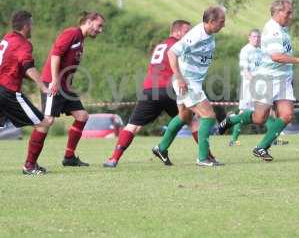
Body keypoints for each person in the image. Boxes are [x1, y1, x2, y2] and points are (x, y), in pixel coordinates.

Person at [103, 20, 217, 167]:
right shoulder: (178, 46)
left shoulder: (160, 45)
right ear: (177, 31)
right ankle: (207, 156)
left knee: (133, 125)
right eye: (186, 31)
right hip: (170, 88)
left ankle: (113, 159)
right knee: (191, 120)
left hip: (150, 89)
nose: (188, 34)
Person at [218, 0, 299, 161]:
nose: (291, 16)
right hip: (266, 79)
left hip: (282, 80)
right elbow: (276, 56)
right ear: (277, 12)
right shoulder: (272, 30)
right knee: (259, 119)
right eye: (288, 12)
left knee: (287, 115)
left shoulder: (283, 29)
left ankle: (261, 147)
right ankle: (232, 119)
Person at [152, 6, 226, 167]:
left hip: (193, 81)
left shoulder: (209, 34)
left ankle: (161, 148)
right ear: (211, 21)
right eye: (221, 22)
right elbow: (172, 52)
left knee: (185, 117)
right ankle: (203, 158)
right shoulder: (196, 35)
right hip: (187, 82)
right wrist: (179, 78)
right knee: (208, 116)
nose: (224, 25)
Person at [40, 11, 105, 167]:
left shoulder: (80, 39)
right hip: (53, 82)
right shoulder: (72, 33)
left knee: (82, 116)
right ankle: (30, 163)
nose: (100, 30)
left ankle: (69, 157)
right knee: (47, 121)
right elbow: (55, 55)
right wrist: (55, 80)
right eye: (99, 25)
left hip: (65, 86)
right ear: (89, 22)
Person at [0, 11, 52, 175]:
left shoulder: (7, 38)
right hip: (7, 91)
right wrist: (44, 87)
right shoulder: (23, 44)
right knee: (43, 123)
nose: (32, 28)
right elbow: (27, 67)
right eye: (31, 24)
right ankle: (30, 166)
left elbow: (14, 68)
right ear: (26, 25)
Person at [229, 29, 262, 146]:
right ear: (249, 37)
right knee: (243, 112)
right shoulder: (245, 50)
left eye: (258, 37)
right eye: (254, 37)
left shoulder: (261, 50)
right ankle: (233, 139)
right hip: (249, 86)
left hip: (261, 85)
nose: (256, 39)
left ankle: (274, 137)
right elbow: (245, 70)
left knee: (269, 109)